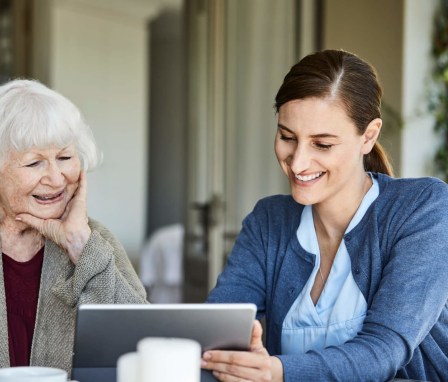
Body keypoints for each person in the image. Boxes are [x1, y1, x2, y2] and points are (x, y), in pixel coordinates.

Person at [201, 49, 448, 381]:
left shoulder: (423, 207)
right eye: (287, 137)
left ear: (369, 136)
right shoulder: (268, 220)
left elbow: (384, 350)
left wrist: (276, 371)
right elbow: (220, 331)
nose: (298, 162)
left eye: (323, 144)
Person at [0, 79, 147, 374]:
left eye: (65, 157)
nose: (56, 179)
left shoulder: (95, 240)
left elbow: (140, 339)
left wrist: (80, 244)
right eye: (34, 163)